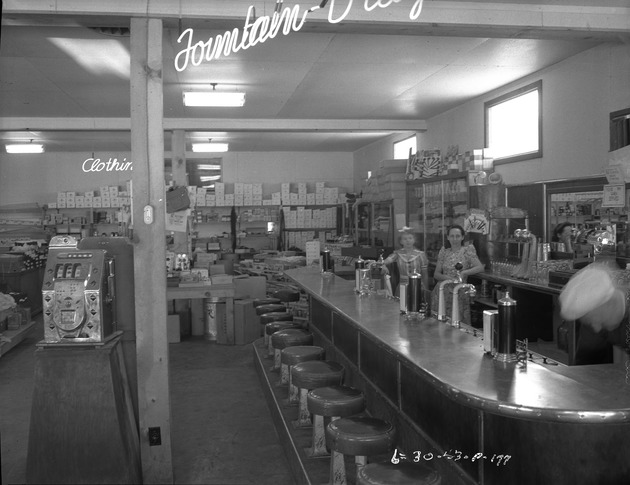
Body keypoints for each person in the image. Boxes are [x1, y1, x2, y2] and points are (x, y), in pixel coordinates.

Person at [431, 225, 485, 324]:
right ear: (447, 237)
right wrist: (446, 278)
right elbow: (436, 274)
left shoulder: (467, 251)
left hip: (460, 291)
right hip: (442, 291)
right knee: (440, 323)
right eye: (452, 236)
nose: (454, 239)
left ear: (462, 237)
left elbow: (480, 267)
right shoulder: (444, 252)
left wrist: (465, 272)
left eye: (457, 236)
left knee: (459, 322)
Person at [381, 227, 429, 295]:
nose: (408, 241)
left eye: (410, 238)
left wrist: (426, 291)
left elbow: (425, 275)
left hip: (418, 287)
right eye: (405, 239)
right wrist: (383, 265)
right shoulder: (397, 254)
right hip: (402, 287)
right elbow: (384, 261)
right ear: (401, 241)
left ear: (414, 240)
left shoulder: (421, 255)